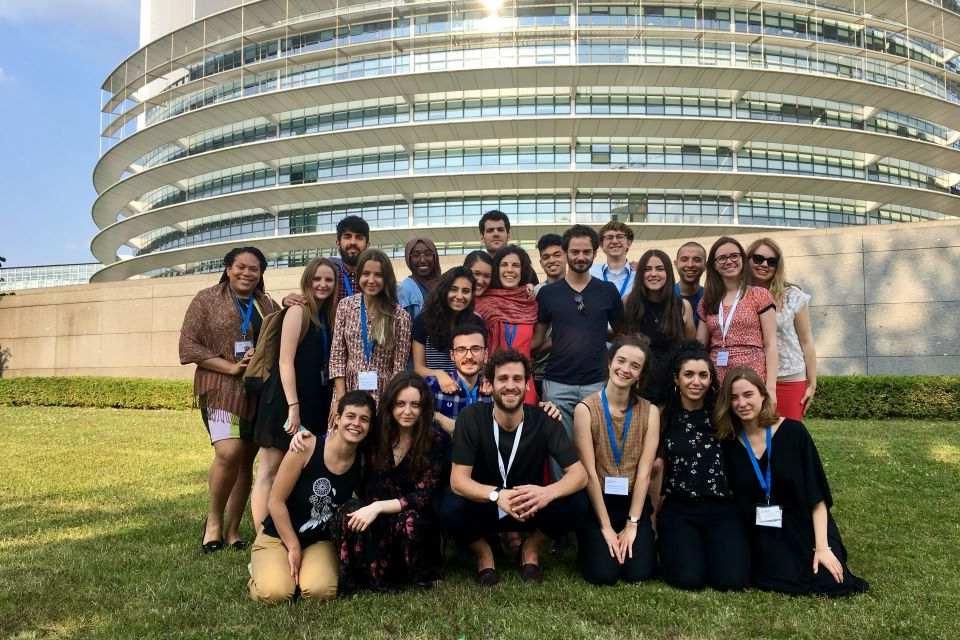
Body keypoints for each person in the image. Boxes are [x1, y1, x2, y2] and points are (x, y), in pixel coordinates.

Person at [439, 349, 589, 586]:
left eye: (518, 379)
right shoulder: (471, 418)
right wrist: (496, 495)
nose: (511, 386)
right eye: (503, 379)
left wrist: (546, 493)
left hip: (530, 506)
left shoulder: (544, 419)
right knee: (448, 506)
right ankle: (483, 553)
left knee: (578, 500)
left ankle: (530, 548)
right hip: (486, 507)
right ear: (490, 384)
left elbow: (579, 475)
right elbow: (458, 480)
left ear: (528, 385)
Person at [717, 367, 868, 597]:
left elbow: (817, 496)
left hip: (803, 524)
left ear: (763, 395)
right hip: (761, 531)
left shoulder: (794, 432)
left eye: (748, 395)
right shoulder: (729, 443)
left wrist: (822, 547)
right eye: (734, 397)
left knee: (830, 582)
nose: (741, 403)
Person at [179, 247, 280, 553]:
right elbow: (188, 346)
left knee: (246, 459)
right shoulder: (206, 299)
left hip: (254, 390)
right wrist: (229, 366)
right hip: (220, 386)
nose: (247, 273)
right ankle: (213, 523)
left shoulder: (266, 304)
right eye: (241, 267)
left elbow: (277, 338)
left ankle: (234, 529)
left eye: (254, 269)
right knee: (229, 452)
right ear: (227, 267)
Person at [247, 391, 375, 603]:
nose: (356, 424)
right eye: (350, 416)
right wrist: (294, 546)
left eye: (364, 419)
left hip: (318, 540)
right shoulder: (305, 447)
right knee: (275, 593)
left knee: (320, 591)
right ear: (337, 419)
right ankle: (260, 570)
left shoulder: (362, 462)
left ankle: (297, 573)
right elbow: (275, 502)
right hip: (279, 535)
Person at [651, 342, 750, 591]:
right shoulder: (663, 416)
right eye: (689, 374)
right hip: (679, 508)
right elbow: (655, 468)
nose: (696, 382)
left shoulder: (723, 415)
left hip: (722, 507)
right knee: (688, 580)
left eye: (703, 375)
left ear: (711, 378)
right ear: (676, 378)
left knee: (731, 582)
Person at [335, 373, 446, 592]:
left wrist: (378, 507)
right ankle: (359, 577)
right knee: (348, 512)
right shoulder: (374, 434)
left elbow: (423, 496)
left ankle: (408, 577)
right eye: (400, 404)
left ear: (424, 408)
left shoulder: (436, 439)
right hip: (373, 515)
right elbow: (342, 440)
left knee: (410, 520)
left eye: (415, 404)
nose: (407, 411)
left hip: (413, 516)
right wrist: (304, 437)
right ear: (390, 405)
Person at [251, 257, 338, 531]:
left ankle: (285, 525)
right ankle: (262, 536)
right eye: (317, 279)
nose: (323, 284)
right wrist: (293, 405)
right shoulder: (298, 312)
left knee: (296, 467)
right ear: (307, 281)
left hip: (313, 400)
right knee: (270, 469)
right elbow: (284, 361)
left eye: (329, 280)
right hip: (285, 401)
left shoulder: (327, 315)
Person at [534, 224, 624, 478]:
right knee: (559, 452)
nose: (581, 257)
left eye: (586, 251)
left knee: (597, 450)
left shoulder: (607, 291)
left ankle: (594, 507)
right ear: (565, 253)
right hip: (557, 385)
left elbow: (621, 333)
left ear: (595, 253)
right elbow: (538, 340)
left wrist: (593, 333)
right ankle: (564, 506)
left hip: (597, 383)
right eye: (575, 251)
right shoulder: (548, 294)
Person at [573, 336, 660, 585]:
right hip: (598, 501)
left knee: (638, 573)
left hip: (633, 502)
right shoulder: (585, 409)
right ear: (610, 363)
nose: (625, 369)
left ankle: (634, 534)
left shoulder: (650, 412)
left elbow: (645, 473)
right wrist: (607, 527)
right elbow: (589, 472)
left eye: (635, 365)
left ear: (640, 375)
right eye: (621, 361)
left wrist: (632, 524)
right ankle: (592, 544)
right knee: (603, 575)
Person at [696, 236, 778, 408]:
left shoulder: (759, 295)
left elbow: (771, 345)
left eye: (734, 256)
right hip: (717, 377)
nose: (729, 261)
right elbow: (700, 346)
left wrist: (771, 387)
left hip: (751, 377)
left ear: (742, 259)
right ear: (714, 265)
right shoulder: (707, 300)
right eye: (722, 258)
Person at [328, 248, 412, 411]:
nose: (371, 280)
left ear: (386, 278)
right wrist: (340, 399)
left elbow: (398, 368)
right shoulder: (345, 306)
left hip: (384, 394)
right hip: (347, 390)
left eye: (378, 275)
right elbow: (337, 356)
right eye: (366, 274)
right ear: (359, 275)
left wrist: (389, 404)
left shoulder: (400, 316)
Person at [746, 238, 817, 421]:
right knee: (755, 439)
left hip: (789, 377)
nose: (764, 264)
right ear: (748, 260)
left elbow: (806, 341)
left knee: (789, 437)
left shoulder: (793, 296)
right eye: (758, 258)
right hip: (751, 377)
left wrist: (812, 382)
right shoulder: (737, 295)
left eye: (771, 261)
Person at [621, 249, 695, 406]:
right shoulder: (628, 303)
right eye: (647, 269)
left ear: (668, 272)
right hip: (638, 386)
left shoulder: (682, 306)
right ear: (640, 274)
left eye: (659, 269)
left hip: (672, 388)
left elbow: (690, 346)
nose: (653, 274)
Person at [475, 245, 540, 405]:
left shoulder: (530, 302)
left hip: (524, 382)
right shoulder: (482, 302)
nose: (509, 270)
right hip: (489, 382)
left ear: (523, 269)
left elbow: (536, 340)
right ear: (496, 269)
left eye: (515, 265)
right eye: (504, 265)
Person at [412, 267, 478, 389]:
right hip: (433, 391)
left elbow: (481, 363)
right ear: (444, 290)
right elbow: (418, 368)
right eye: (453, 289)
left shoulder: (476, 323)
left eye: (465, 291)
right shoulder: (422, 321)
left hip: (468, 391)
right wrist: (439, 374)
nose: (459, 296)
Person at [283, 215, 369, 309]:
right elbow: (308, 298)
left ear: (367, 244)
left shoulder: (375, 276)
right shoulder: (328, 271)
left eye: (359, 237)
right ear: (338, 242)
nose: (353, 242)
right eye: (347, 237)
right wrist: (287, 299)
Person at [533, 233, 566, 397]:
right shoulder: (534, 293)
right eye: (546, 257)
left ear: (566, 255)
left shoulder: (581, 289)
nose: (551, 260)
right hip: (539, 370)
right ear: (541, 262)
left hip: (569, 370)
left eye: (557, 255)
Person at [397, 237, 442, 321]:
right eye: (416, 255)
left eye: (428, 254)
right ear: (409, 259)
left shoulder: (445, 284)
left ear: (435, 256)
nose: (422, 260)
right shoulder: (404, 290)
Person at [589, 221, 636, 300]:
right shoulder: (590, 273)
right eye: (609, 237)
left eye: (620, 236)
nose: (614, 241)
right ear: (601, 244)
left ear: (629, 242)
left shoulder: (639, 275)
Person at [674, 242, 707, 328]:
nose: (690, 265)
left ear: (705, 266)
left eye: (697, 260)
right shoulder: (665, 296)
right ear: (676, 264)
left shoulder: (711, 298)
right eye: (684, 259)